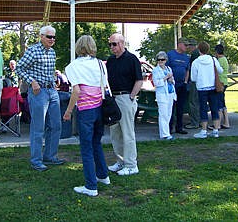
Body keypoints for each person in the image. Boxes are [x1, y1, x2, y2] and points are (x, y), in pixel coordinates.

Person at [63, 35, 110, 197]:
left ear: (78, 47)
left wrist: (68, 111)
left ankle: (91, 186)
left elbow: (76, 91)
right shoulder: (100, 64)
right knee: (96, 143)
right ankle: (103, 175)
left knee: (86, 148)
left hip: (85, 111)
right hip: (100, 108)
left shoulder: (73, 66)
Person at [16, 25, 64, 172]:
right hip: (38, 92)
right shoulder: (33, 50)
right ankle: (36, 160)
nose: (52, 39)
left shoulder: (52, 52)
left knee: (56, 125)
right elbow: (19, 68)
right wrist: (32, 81)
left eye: (54, 37)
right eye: (49, 37)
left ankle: (50, 156)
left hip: (51, 91)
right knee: (38, 127)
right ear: (41, 36)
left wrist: (55, 79)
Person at [106, 33, 143, 176]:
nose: (112, 47)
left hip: (125, 97)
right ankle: (120, 161)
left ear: (122, 43)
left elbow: (139, 80)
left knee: (128, 133)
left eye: (114, 44)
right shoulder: (110, 60)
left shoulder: (132, 59)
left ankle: (131, 165)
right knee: (115, 133)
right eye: (110, 44)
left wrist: (131, 96)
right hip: (113, 99)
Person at [191, 41, 223, 138]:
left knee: (203, 109)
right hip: (213, 87)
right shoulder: (213, 59)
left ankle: (204, 130)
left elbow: (193, 78)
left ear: (199, 50)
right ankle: (216, 130)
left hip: (201, 88)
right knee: (214, 108)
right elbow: (220, 70)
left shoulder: (196, 62)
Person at [166, 37, 190, 135]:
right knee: (171, 107)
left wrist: (185, 81)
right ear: (179, 44)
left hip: (182, 85)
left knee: (181, 107)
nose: (187, 47)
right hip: (172, 85)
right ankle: (169, 127)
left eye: (188, 45)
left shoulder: (186, 57)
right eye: (185, 45)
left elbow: (187, 70)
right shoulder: (170, 55)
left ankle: (179, 127)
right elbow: (165, 68)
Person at [152, 51, 177, 140]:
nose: (160, 61)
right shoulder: (155, 70)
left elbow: (173, 81)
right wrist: (165, 78)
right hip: (162, 95)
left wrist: (171, 80)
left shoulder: (169, 69)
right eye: (159, 60)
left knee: (169, 113)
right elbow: (156, 83)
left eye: (162, 59)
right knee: (163, 114)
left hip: (170, 93)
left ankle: (167, 132)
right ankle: (165, 134)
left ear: (166, 60)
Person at [185, 38, 201, 129]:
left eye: (188, 46)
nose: (187, 47)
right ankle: (198, 121)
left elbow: (191, 68)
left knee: (193, 102)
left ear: (192, 46)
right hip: (200, 82)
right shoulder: (198, 53)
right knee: (197, 102)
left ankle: (194, 123)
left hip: (194, 81)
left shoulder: (194, 54)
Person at [215, 44, 230, 129]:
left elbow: (217, 70)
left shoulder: (220, 60)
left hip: (220, 83)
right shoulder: (225, 59)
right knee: (222, 102)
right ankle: (226, 122)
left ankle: (218, 124)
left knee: (219, 103)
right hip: (224, 82)